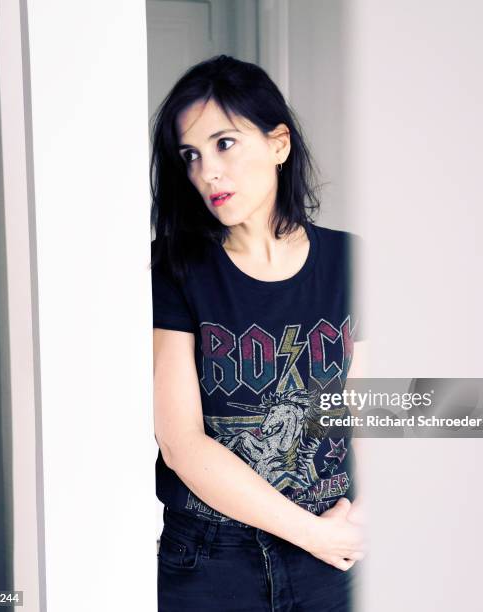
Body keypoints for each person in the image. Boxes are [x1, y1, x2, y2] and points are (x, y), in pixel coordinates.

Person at [150, 54, 367, 611]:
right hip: (211, 558)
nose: (206, 172)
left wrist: (359, 519)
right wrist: (313, 532)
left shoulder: (349, 261)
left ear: (278, 145)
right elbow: (181, 443)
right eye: (190, 155)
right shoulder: (174, 268)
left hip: (333, 555)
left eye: (224, 144)